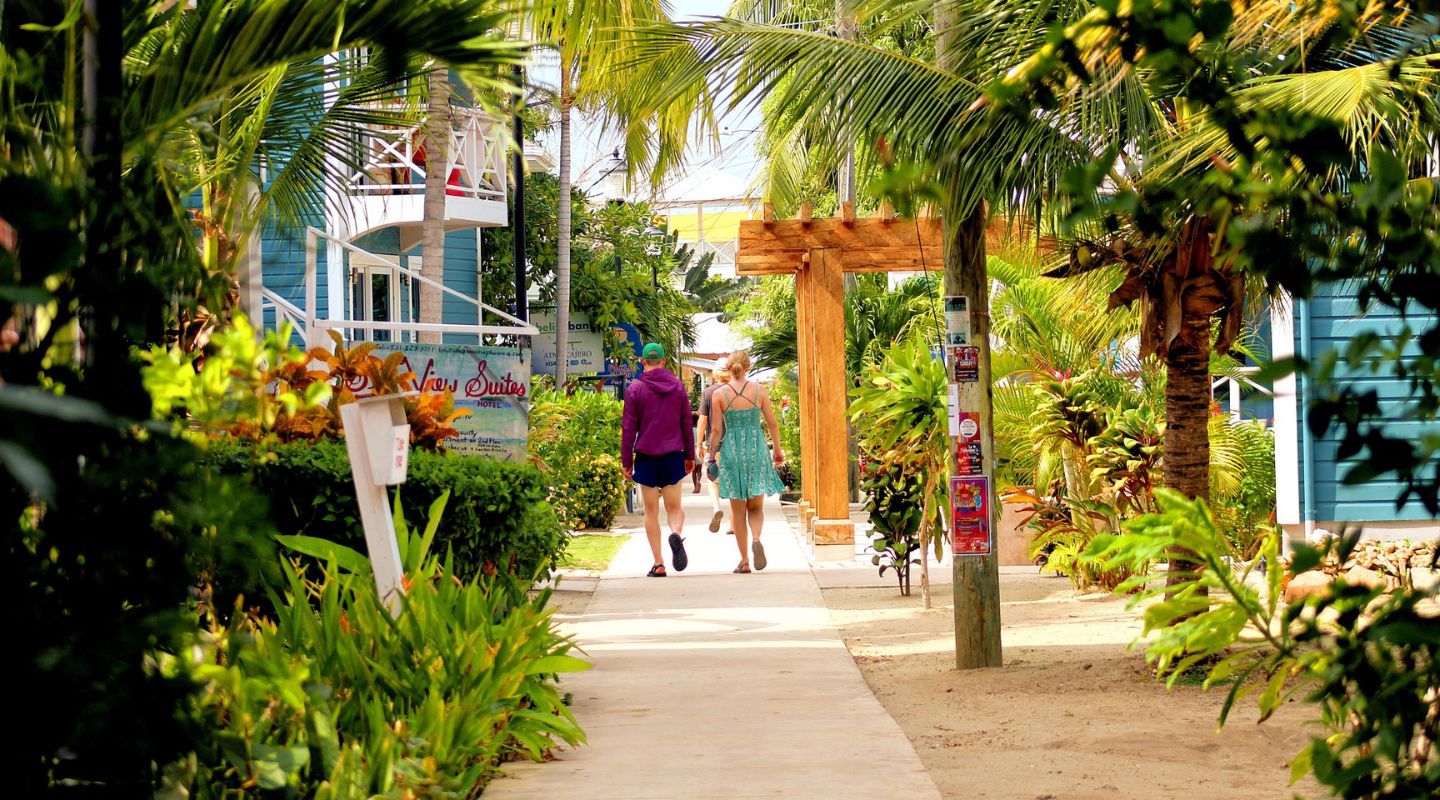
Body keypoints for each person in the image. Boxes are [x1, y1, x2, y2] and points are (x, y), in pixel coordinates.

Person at [706, 350, 785, 573]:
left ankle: (744, 561)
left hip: (732, 453)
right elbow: (772, 423)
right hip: (756, 450)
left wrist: (711, 456)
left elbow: (716, 430)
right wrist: (777, 450)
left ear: (728, 369)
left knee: (738, 510)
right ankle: (757, 539)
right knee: (757, 507)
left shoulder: (719, 394)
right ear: (747, 367)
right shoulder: (759, 390)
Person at [621, 342, 695, 577]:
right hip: (673, 455)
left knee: (651, 511)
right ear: (663, 361)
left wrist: (626, 461)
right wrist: (690, 456)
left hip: (646, 457)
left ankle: (659, 563)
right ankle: (676, 532)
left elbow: (628, 429)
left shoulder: (635, 389)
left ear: (643, 362)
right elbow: (686, 422)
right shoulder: (678, 387)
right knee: (675, 508)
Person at [693, 357, 734, 536]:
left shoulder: (709, 392)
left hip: (714, 445)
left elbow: (703, 420)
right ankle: (732, 524)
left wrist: (699, 443)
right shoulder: (737, 391)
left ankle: (717, 507)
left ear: (716, 373)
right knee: (734, 484)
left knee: (712, 479)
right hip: (735, 445)